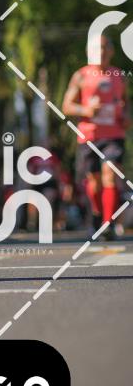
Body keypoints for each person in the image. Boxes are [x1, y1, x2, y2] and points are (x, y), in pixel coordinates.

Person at [62, 36, 129, 239]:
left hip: (114, 135)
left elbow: (125, 104)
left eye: (104, 47)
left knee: (110, 174)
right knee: (94, 182)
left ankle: (108, 224)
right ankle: (98, 215)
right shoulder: (81, 76)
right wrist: (86, 110)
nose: (101, 52)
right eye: (96, 48)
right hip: (89, 136)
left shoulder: (119, 76)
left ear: (111, 51)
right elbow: (66, 106)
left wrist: (126, 116)